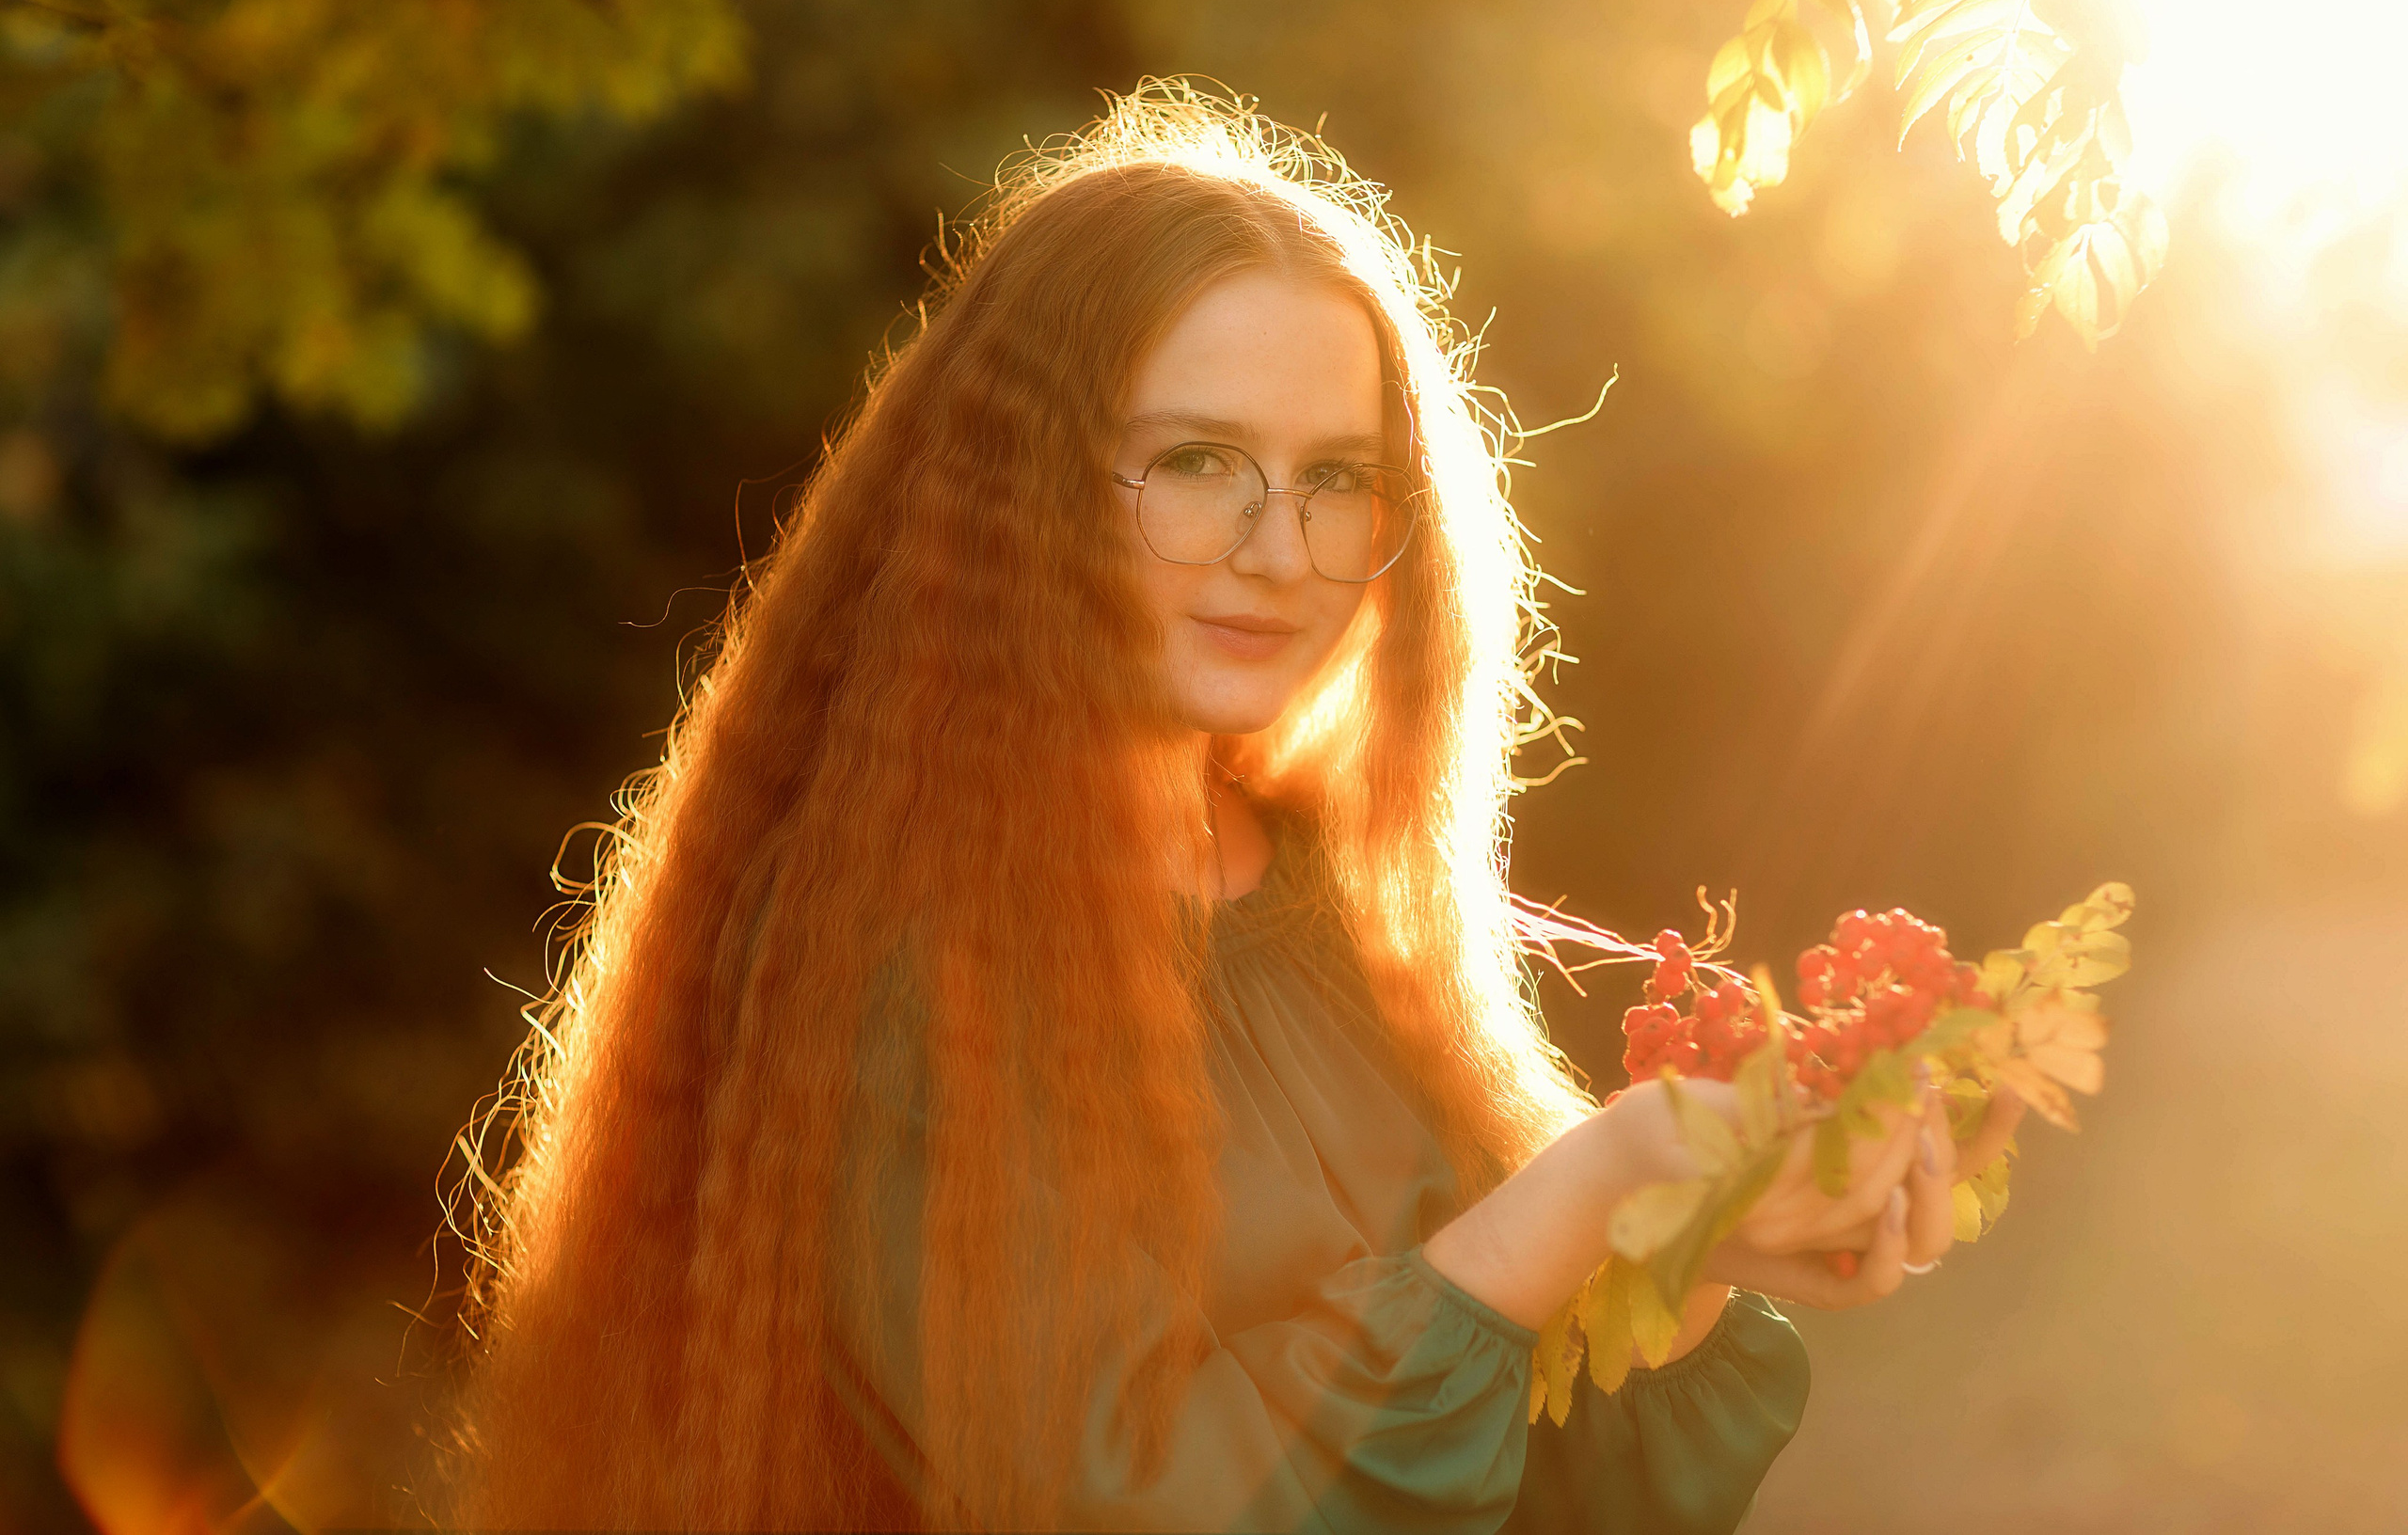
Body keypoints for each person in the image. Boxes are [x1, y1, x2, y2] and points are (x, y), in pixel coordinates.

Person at [439, 83, 2023, 1534]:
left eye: (1338, 476)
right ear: (1021, 491)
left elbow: (1526, 1482)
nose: (1282, 548)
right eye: (1198, 461)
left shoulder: (1334, 896)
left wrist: (1691, 1238)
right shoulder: (889, 955)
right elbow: (1138, 1503)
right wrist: (1595, 1189)